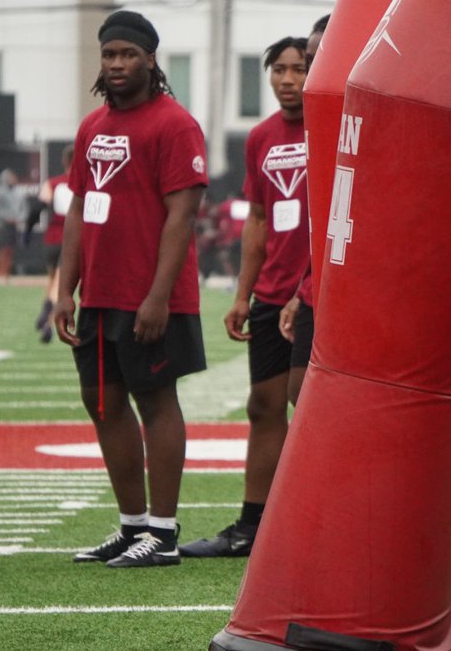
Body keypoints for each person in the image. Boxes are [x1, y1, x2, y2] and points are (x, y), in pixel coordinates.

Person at [54, 10, 208, 568]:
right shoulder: (92, 127)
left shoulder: (174, 124)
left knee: (156, 401)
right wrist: (64, 289)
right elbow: (78, 210)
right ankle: (132, 526)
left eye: (128, 54)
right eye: (109, 54)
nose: (117, 64)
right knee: (103, 403)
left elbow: (182, 215)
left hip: (151, 297)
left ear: (150, 59)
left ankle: (162, 534)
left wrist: (158, 296)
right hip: (98, 294)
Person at [181, 36, 309, 559]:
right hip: (271, 293)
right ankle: (252, 526)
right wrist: (242, 294)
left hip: (316, 294)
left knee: (307, 403)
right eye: (278, 69)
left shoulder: (335, 127)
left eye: (298, 68)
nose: (287, 79)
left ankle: (316, 520)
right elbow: (257, 219)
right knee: (263, 406)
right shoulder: (260, 137)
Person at [278, 13, 329, 406]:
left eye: (313, 62)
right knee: (299, 394)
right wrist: (303, 289)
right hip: (313, 286)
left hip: (358, 288)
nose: (304, 74)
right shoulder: (313, 123)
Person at [29, 146, 74, 343]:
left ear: (64, 162)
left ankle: (44, 309)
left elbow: (37, 208)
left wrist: (27, 230)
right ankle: (48, 322)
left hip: (51, 238)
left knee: (52, 278)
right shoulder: (85, 184)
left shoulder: (53, 183)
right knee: (59, 283)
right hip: (70, 239)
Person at [0, 169, 23, 280]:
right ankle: (0, 272)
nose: (13, 179)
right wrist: (7, 218)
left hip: (13, 226)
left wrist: (18, 218)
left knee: (10, 249)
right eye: (11, 177)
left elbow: (21, 208)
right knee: (3, 249)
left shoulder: (16, 192)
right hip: (1, 226)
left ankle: (6, 272)